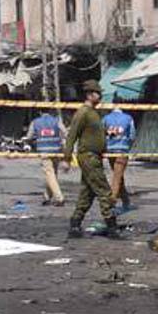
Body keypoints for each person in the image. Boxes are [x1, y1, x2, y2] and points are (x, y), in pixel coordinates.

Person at [63, 80, 120, 239]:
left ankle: (75, 224)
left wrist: (108, 133)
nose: (100, 96)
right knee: (104, 191)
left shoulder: (94, 112)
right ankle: (112, 227)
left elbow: (95, 132)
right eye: (98, 93)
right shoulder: (83, 112)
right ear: (89, 94)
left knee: (87, 192)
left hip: (95, 156)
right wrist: (66, 158)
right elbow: (72, 135)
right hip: (88, 156)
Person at [26, 111, 68, 206]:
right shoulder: (57, 121)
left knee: (49, 174)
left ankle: (59, 198)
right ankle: (47, 196)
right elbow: (65, 133)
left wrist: (30, 140)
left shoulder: (35, 122)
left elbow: (29, 136)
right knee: (53, 173)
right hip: (56, 150)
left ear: (40, 112)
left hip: (44, 151)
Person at [103, 107, 136, 212]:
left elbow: (101, 133)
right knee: (117, 176)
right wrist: (128, 147)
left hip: (110, 150)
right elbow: (132, 135)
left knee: (118, 175)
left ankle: (125, 200)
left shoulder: (105, 118)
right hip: (122, 150)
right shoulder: (128, 118)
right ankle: (112, 201)